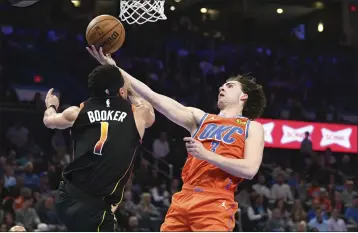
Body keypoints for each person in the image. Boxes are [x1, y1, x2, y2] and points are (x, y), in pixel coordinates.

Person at [87, 46, 266, 231]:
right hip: (184, 198)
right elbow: (153, 97)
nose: (222, 87)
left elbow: (250, 169)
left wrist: (207, 155)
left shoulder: (252, 127)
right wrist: (114, 69)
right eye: (222, 85)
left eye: (230, 86)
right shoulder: (199, 118)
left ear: (243, 96)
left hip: (216, 201)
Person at [42, 65, 155, 231]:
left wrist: (51, 105)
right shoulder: (137, 113)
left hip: (66, 196)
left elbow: (48, 121)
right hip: (94, 209)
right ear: (121, 91)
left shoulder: (77, 111)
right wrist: (130, 90)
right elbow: (149, 109)